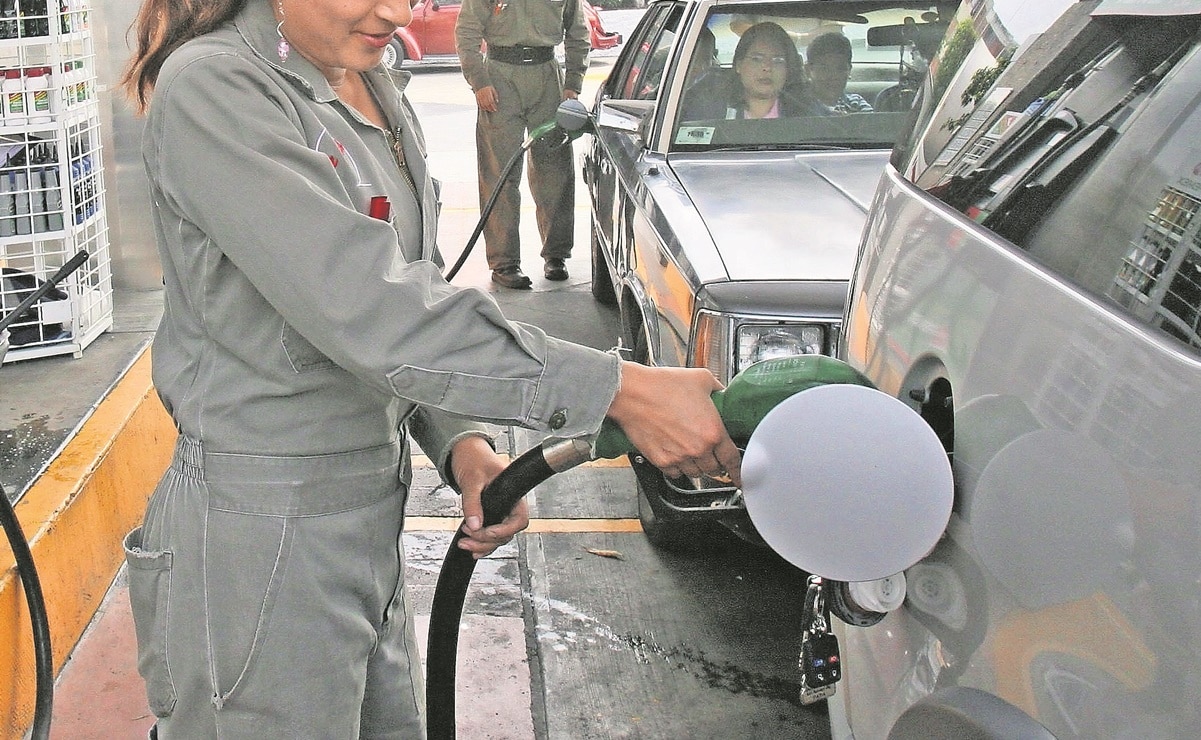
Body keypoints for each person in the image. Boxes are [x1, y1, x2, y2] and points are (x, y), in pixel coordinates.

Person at [118, 0, 742, 737]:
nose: (396, 11)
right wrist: (618, 389)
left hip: (366, 519)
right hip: (261, 529)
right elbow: (367, 309)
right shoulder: (215, 87)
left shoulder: (368, 80)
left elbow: (411, 286)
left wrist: (463, 445)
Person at [455, 0, 587, 289]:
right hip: (500, 76)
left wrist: (573, 83)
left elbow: (578, 32)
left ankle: (556, 255)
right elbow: (467, 32)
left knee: (554, 169)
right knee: (499, 172)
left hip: (547, 75)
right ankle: (504, 262)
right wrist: (479, 81)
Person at [681, 22, 826, 120]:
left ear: (788, 69)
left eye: (778, 61)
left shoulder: (808, 114)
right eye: (757, 59)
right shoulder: (707, 109)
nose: (767, 67)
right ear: (739, 65)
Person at [805, 31, 874, 114]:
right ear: (808, 70)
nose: (833, 76)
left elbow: (872, 124)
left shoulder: (856, 104)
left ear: (849, 71)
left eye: (840, 69)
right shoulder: (797, 106)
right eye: (824, 69)